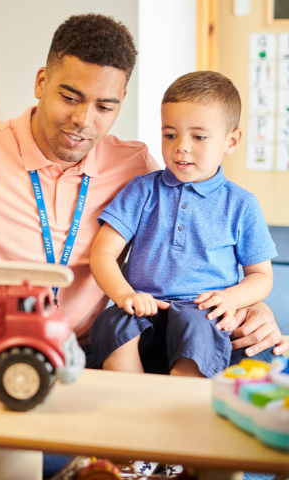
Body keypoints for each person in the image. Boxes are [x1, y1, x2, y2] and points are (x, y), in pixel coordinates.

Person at [0, 13, 287, 364]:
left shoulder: (135, 165)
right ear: (41, 82)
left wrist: (252, 305)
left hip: (92, 355)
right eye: (70, 97)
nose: (84, 120)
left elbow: (192, 249)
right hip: (0, 355)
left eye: (104, 106)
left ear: (121, 101)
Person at [90, 72, 276, 377]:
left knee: (198, 327)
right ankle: (130, 395)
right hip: (144, 308)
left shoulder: (241, 204)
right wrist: (124, 295)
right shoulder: (141, 190)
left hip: (201, 311)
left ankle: (180, 397)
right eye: (170, 135)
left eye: (198, 137)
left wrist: (230, 298)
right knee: (112, 322)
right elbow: (103, 253)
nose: (181, 147)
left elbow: (261, 276)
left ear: (231, 141)